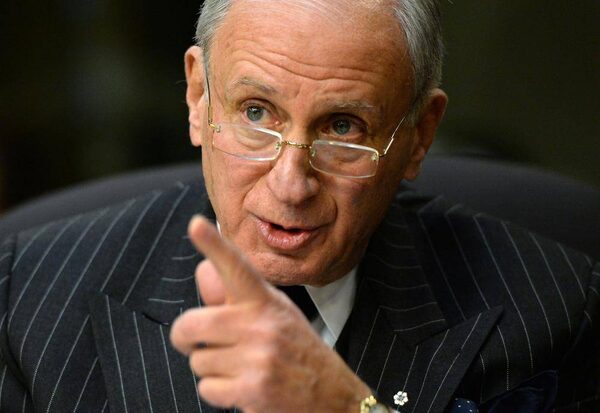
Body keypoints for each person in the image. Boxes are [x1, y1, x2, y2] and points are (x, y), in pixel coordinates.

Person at [0, 1, 598, 412]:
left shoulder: (554, 308)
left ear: (419, 135)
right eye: (256, 112)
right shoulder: (26, 302)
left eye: (343, 126)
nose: (290, 186)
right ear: (198, 97)